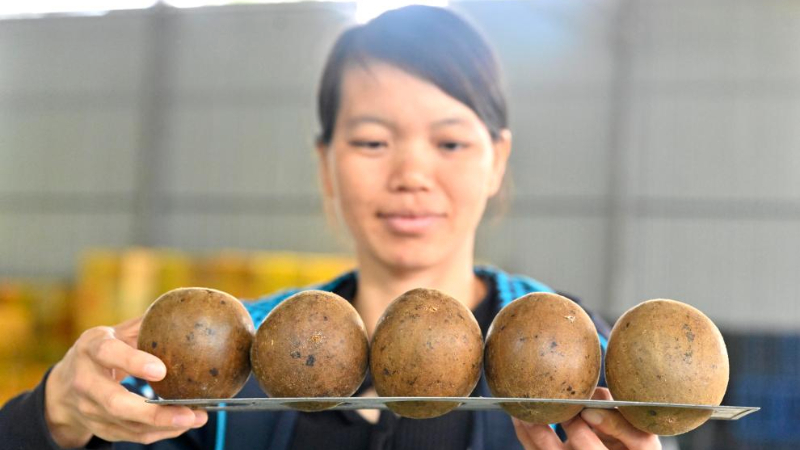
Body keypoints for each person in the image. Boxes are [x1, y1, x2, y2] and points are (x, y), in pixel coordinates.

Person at [0, 6, 662, 450]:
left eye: (450, 143)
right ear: (326, 163)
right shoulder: (228, 359)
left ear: (497, 161)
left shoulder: (581, 358)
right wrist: (53, 417)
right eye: (372, 141)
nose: (411, 174)